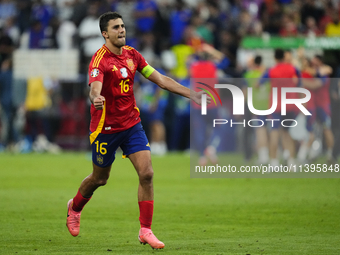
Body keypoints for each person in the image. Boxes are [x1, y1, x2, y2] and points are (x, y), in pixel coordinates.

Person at [66, 11, 206, 250]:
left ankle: (145, 230)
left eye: (122, 26)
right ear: (105, 34)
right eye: (115, 28)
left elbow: (160, 79)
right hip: (105, 128)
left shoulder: (133, 55)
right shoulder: (99, 59)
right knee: (100, 178)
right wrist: (96, 98)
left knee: (147, 173)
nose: (121, 30)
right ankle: (75, 207)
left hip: (131, 123)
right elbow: (94, 88)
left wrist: (191, 93)